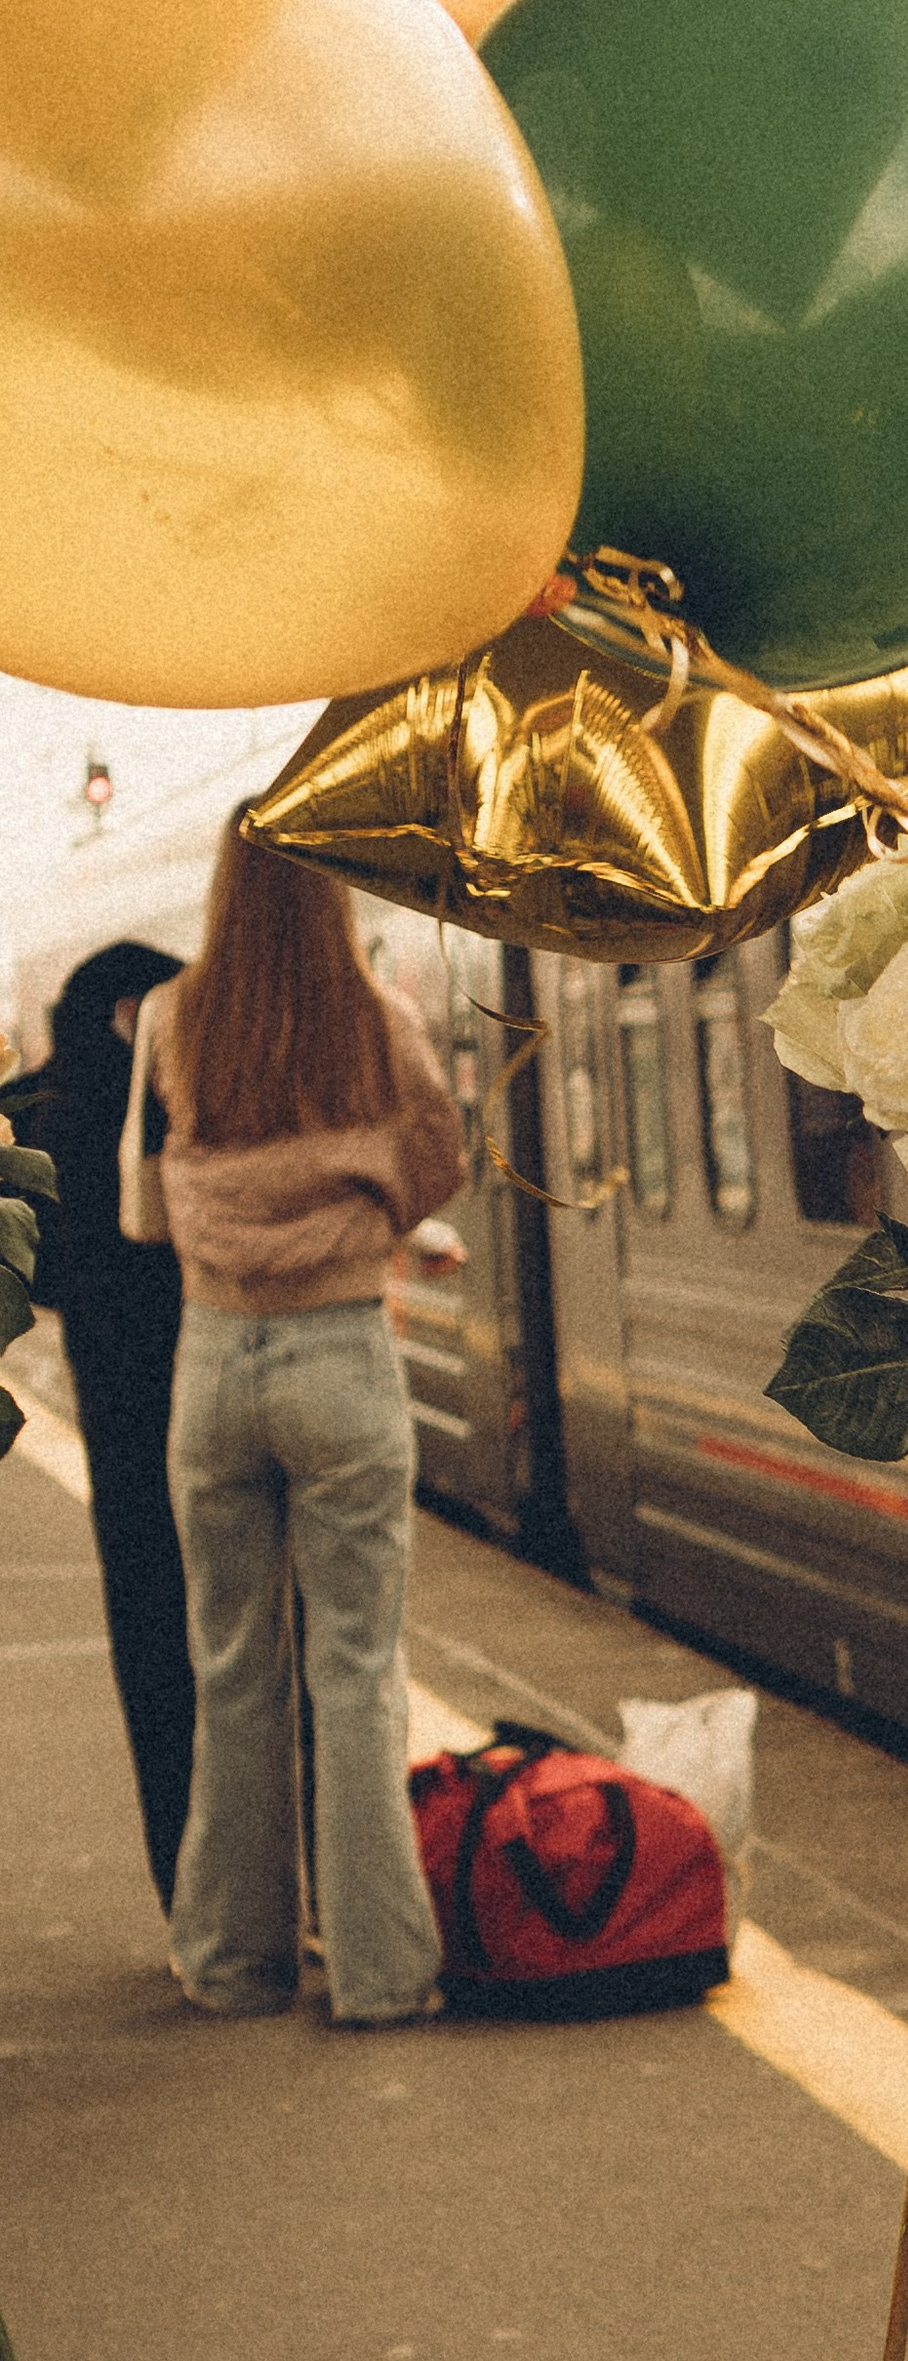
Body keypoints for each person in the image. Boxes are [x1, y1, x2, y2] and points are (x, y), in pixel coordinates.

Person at [149, 828, 462, 2026]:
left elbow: (143, 1196)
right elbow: (434, 1161)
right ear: (330, 890)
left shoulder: (177, 1018)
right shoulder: (373, 1014)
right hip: (338, 1352)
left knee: (233, 1674)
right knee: (356, 1673)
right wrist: (364, 1204)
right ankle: (381, 1977)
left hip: (213, 1360)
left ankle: (234, 1963)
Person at [1, 940, 194, 1902]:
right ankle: (289, 1882)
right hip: (207, 1384)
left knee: (151, 1635)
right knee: (253, 1642)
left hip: (115, 1412)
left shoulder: (31, 1110)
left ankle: (182, 1883)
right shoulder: (175, 1096)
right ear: (135, 1009)